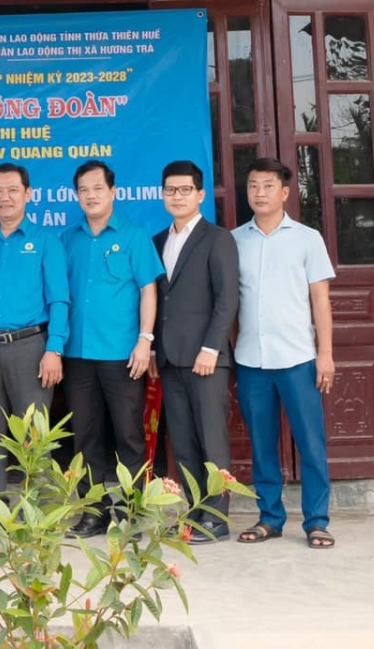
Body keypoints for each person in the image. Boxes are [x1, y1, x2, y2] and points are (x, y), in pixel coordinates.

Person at [232, 157, 337, 550]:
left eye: (268, 186)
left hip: (297, 358)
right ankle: (270, 517)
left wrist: (324, 354)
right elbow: (229, 302)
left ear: (285, 193)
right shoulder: (234, 240)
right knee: (262, 443)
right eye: (253, 186)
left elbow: (320, 301)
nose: (260, 193)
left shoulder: (308, 239)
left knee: (311, 442)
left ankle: (317, 520)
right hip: (251, 359)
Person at [59, 159, 165, 536]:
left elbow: (147, 290)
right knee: (86, 437)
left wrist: (145, 340)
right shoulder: (67, 239)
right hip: (78, 354)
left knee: (128, 435)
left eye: (97, 189)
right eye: (84, 190)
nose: (91, 196)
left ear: (113, 192)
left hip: (123, 353)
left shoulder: (134, 235)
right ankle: (94, 513)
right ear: (76, 195)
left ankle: (133, 512)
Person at [148, 159, 239, 542]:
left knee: (211, 439)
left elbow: (227, 299)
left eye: (185, 189)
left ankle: (216, 519)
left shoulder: (217, 238)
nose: (177, 196)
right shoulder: (157, 241)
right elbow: (156, 301)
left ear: (200, 194)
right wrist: (152, 350)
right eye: (170, 190)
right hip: (169, 358)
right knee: (183, 441)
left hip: (206, 359)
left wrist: (211, 349)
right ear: (162, 194)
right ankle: (194, 513)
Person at [0, 163, 70, 451]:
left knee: (34, 439)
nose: (4, 197)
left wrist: (54, 349)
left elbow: (59, 299)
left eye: (12, 190)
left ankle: (33, 498)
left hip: (31, 349)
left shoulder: (46, 240)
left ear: (28, 194)